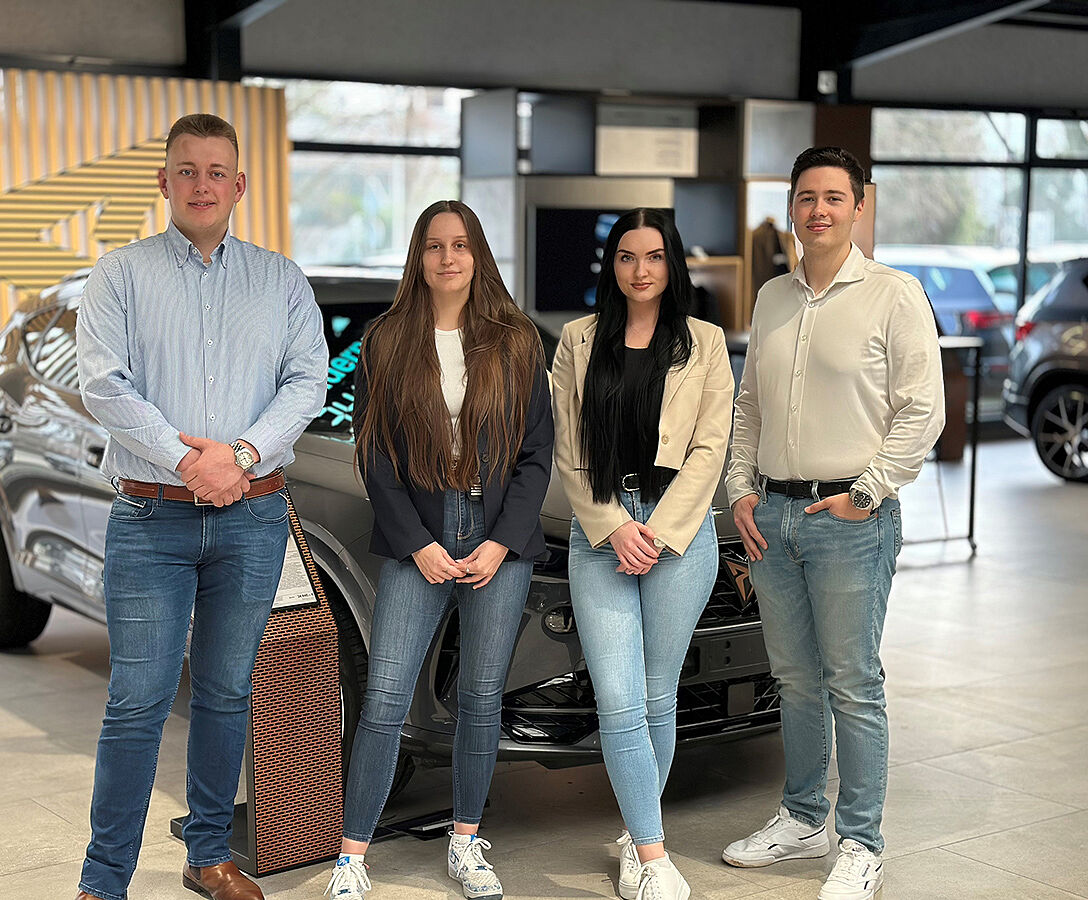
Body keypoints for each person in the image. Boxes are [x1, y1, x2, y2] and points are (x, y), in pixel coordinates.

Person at [74, 113, 328, 900]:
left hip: (251, 518)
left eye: (216, 171)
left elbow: (306, 382)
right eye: (187, 171)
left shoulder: (281, 279)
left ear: (239, 184)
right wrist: (190, 462)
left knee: (224, 691)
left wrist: (240, 458)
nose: (202, 185)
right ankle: (103, 880)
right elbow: (103, 386)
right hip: (152, 519)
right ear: (164, 183)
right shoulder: (119, 276)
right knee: (138, 701)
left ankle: (209, 854)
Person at [722, 147, 944, 900]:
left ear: (858, 207)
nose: (818, 210)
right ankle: (802, 817)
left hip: (852, 518)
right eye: (806, 197)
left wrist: (869, 492)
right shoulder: (774, 297)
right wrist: (740, 489)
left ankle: (860, 840)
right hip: (773, 515)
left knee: (852, 681)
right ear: (792, 206)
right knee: (794, 679)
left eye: (834, 198)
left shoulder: (894, 294)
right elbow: (747, 404)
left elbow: (923, 410)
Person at [323, 200, 553, 900]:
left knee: (481, 699)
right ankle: (351, 857)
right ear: (417, 259)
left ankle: (465, 842)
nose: (448, 257)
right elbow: (375, 456)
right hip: (417, 539)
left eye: (460, 245)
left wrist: (501, 543)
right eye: (434, 246)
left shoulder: (515, 342)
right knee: (386, 698)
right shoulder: (387, 340)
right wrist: (418, 543)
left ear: (478, 254)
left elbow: (537, 455)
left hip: (495, 543)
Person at [552, 208, 734, 900]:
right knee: (620, 701)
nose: (640, 270)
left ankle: (636, 838)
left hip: (679, 535)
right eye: (626, 257)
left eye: (653, 256)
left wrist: (657, 531)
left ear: (672, 262)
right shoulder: (577, 339)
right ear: (613, 266)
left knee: (659, 696)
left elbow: (711, 447)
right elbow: (568, 450)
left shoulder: (705, 342)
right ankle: (657, 860)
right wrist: (612, 527)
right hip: (601, 533)